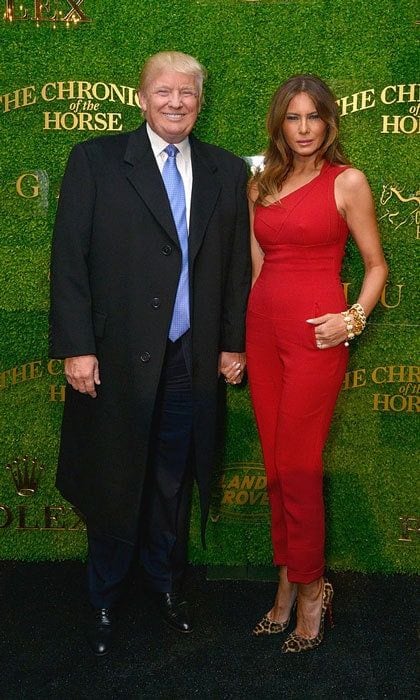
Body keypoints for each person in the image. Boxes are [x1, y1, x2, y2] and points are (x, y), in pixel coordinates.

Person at [49, 51, 250, 655]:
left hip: (191, 358)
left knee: (172, 481)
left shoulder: (224, 171)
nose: (176, 102)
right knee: (114, 477)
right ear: (141, 98)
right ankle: (105, 596)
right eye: (164, 91)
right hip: (112, 359)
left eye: (187, 93)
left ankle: (165, 586)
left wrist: (231, 343)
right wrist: (78, 348)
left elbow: (237, 268)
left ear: (199, 102)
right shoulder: (96, 160)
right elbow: (69, 262)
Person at [246, 74, 388, 653]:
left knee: (299, 467)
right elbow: (257, 269)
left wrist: (350, 319)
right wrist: (239, 340)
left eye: (314, 118)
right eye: (292, 118)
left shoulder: (347, 182)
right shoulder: (259, 185)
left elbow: (376, 265)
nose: (303, 129)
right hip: (262, 332)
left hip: (316, 336)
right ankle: (287, 579)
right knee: (276, 468)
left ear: (329, 123)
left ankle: (310, 591)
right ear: (280, 125)